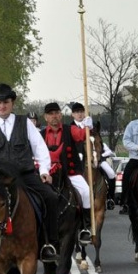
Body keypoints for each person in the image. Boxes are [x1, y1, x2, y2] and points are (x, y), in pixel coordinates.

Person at [0, 83, 59, 261]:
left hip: (25, 175)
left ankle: (49, 243)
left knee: (51, 197)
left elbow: (40, 148)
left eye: (5, 102)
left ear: (12, 102)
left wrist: (44, 170)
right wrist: (1, 169)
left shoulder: (25, 123)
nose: (2, 106)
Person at [41, 102, 92, 240]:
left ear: (61, 115)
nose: (54, 116)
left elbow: (81, 136)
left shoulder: (70, 129)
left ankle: (85, 225)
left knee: (86, 192)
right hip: (47, 174)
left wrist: (88, 127)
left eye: (57, 113)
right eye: (51, 114)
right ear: (45, 117)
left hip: (70, 173)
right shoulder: (41, 134)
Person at [71, 102, 116, 209]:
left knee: (111, 173)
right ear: (72, 114)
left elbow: (98, 142)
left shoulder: (91, 126)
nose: (80, 114)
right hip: (79, 158)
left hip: (96, 157)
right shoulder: (70, 127)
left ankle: (110, 198)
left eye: (81, 112)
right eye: (77, 112)